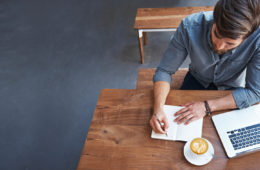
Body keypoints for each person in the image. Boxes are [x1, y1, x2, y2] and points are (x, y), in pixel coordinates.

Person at [150, 0, 260, 134]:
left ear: (246, 37)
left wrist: (207, 107)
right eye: (217, 34)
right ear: (214, 20)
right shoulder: (189, 26)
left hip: (232, 90)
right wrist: (158, 109)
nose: (219, 46)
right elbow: (164, 71)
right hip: (196, 80)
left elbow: (255, 92)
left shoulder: (257, 40)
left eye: (229, 43)